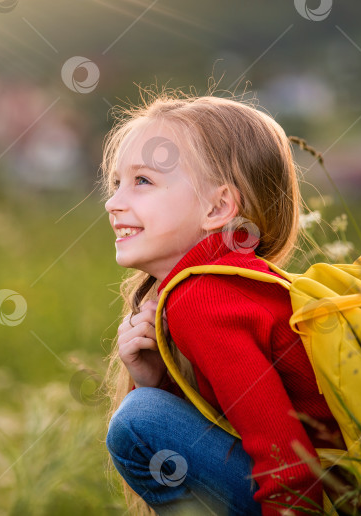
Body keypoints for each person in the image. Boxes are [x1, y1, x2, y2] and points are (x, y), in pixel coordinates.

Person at [101, 89, 347, 516]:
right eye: (116, 183)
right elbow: (226, 424)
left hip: (327, 500)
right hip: (344, 487)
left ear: (218, 208)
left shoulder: (203, 298)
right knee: (148, 407)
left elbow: (290, 463)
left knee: (138, 421)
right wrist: (153, 378)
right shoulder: (226, 282)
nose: (113, 202)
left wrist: (149, 400)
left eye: (142, 181)